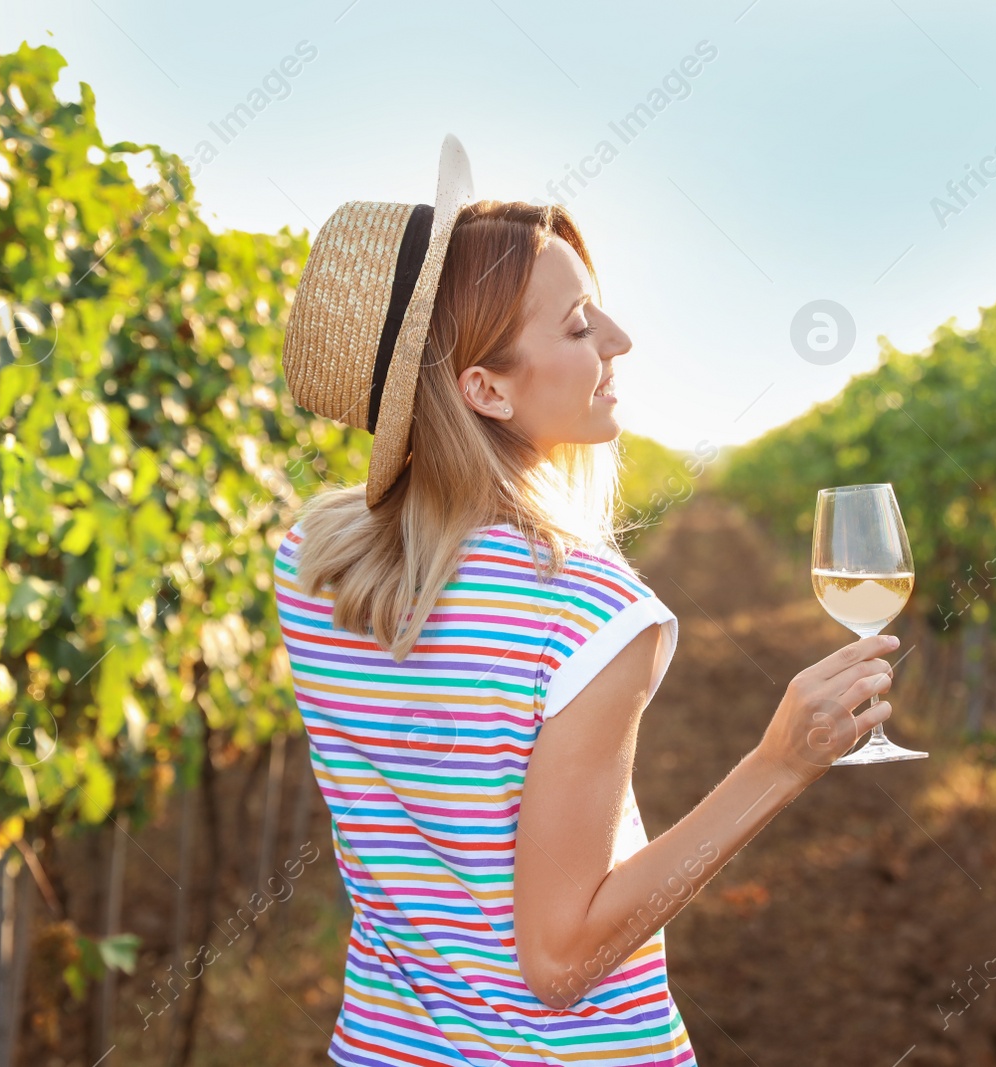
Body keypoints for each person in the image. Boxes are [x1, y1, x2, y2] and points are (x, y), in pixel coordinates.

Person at [272, 135, 900, 1067]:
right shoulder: (590, 613)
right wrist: (780, 763)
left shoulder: (310, 566)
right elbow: (559, 961)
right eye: (575, 327)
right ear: (483, 387)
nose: (618, 341)